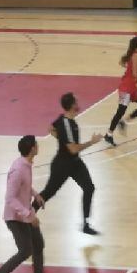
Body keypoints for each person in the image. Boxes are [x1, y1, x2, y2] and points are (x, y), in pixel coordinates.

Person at [0, 135, 62, 273]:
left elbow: (25, 186)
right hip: (15, 218)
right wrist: (29, 215)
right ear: (32, 149)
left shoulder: (26, 164)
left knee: (38, 244)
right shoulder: (19, 169)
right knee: (25, 250)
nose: (38, 146)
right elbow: (10, 198)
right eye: (36, 144)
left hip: (25, 213)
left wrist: (36, 195)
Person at [37, 92, 102, 235]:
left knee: (89, 187)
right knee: (49, 192)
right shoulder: (66, 123)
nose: (78, 103)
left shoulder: (64, 119)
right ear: (72, 105)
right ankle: (27, 216)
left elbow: (50, 128)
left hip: (75, 163)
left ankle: (85, 224)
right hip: (63, 164)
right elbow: (72, 149)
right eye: (76, 101)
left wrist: (61, 139)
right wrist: (92, 142)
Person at [104, 36, 137, 146]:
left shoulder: (131, 54)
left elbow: (121, 63)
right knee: (120, 111)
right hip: (126, 88)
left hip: (132, 87)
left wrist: (128, 66)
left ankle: (124, 122)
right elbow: (136, 73)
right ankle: (109, 134)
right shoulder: (136, 55)